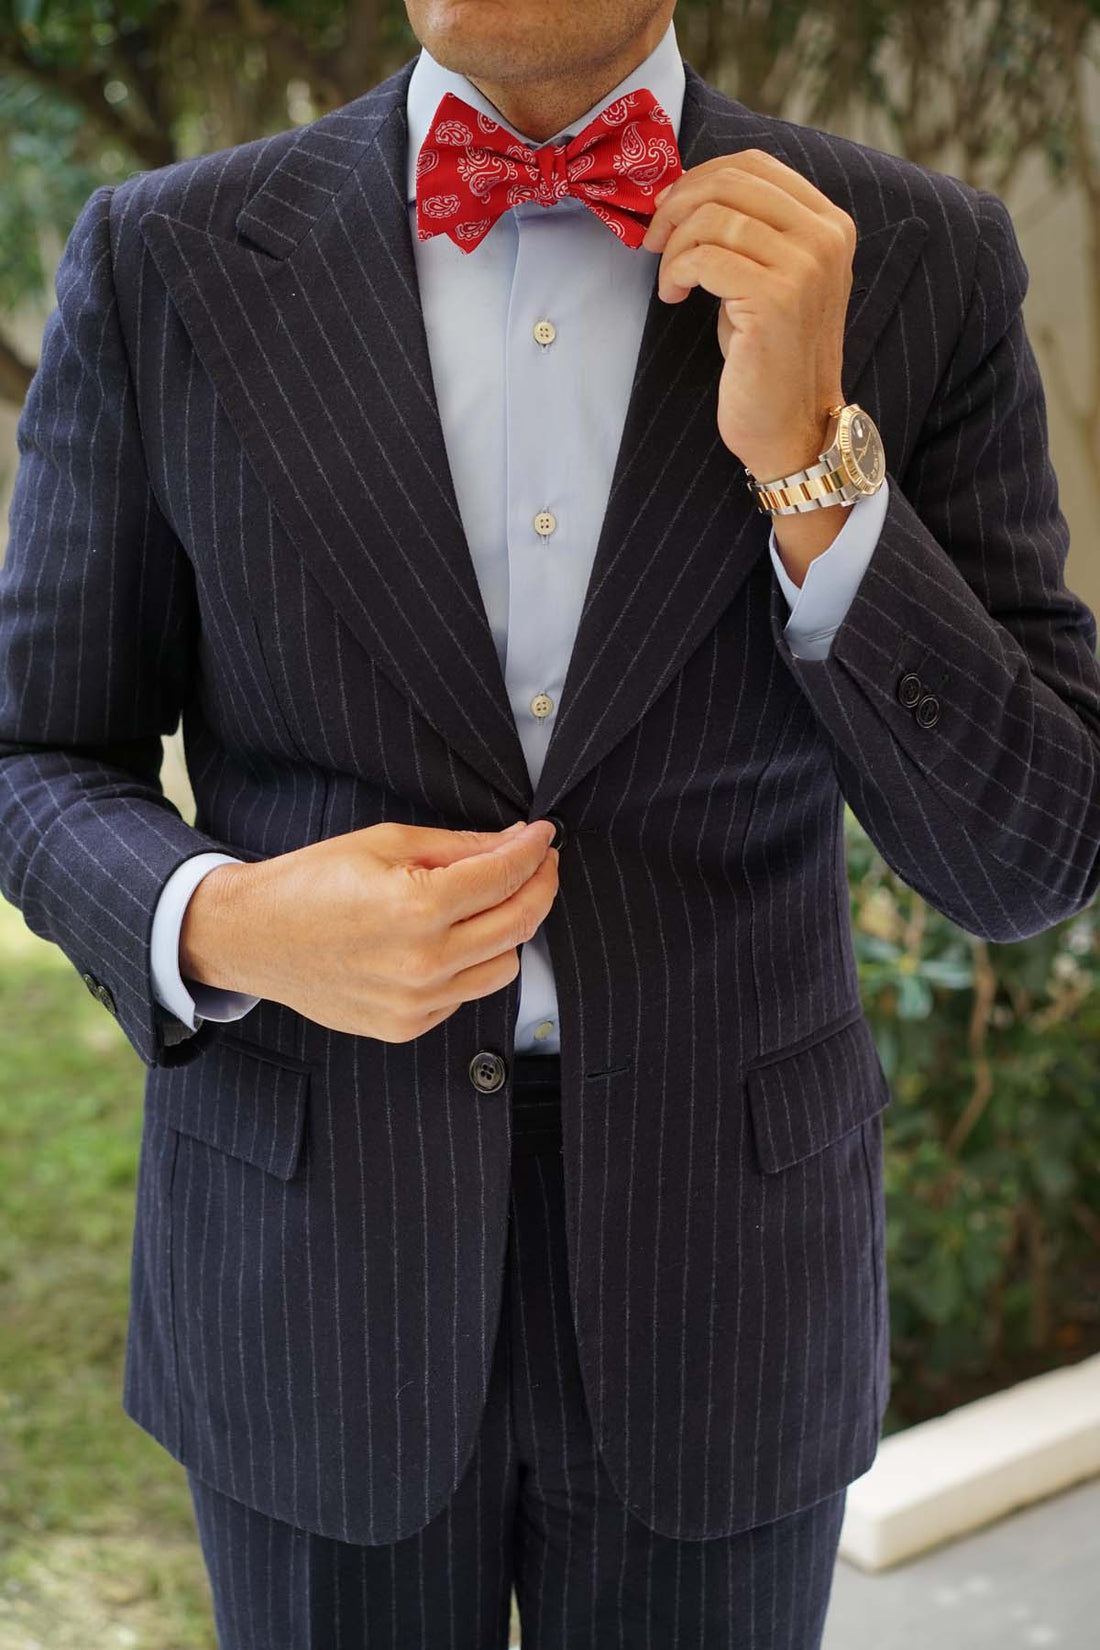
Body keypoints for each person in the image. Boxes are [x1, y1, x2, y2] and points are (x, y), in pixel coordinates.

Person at [2, 0, 1098, 1644]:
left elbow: (1028, 855)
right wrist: (226, 922)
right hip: (310, 1280)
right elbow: (35, 751)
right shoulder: (163, 259)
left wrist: (815, 464)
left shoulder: (917, 260)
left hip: (726, 1288)